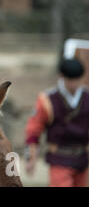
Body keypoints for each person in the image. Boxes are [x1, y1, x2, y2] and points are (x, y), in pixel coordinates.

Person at [25, 58, 89, 187]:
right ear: (62, 77)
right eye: (70, 79)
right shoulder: (48, 99)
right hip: (59, 157)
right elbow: (33, 130)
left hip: (82, 157)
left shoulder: (87, 96)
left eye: (77, 79)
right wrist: (31, 158)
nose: (74, 84)